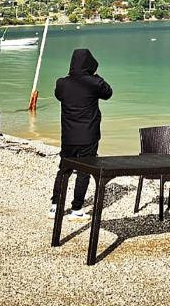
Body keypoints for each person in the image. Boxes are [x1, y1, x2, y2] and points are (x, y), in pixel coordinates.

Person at [50, 48, 113, 219]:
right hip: (89, 135)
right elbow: (108, 93)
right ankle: (76, 208)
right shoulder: (94, 83)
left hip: (68, 135)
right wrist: (96, 76)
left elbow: (59, 96)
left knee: (64, 169)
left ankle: (55, 205)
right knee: (84, 171)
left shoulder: (62, 83)